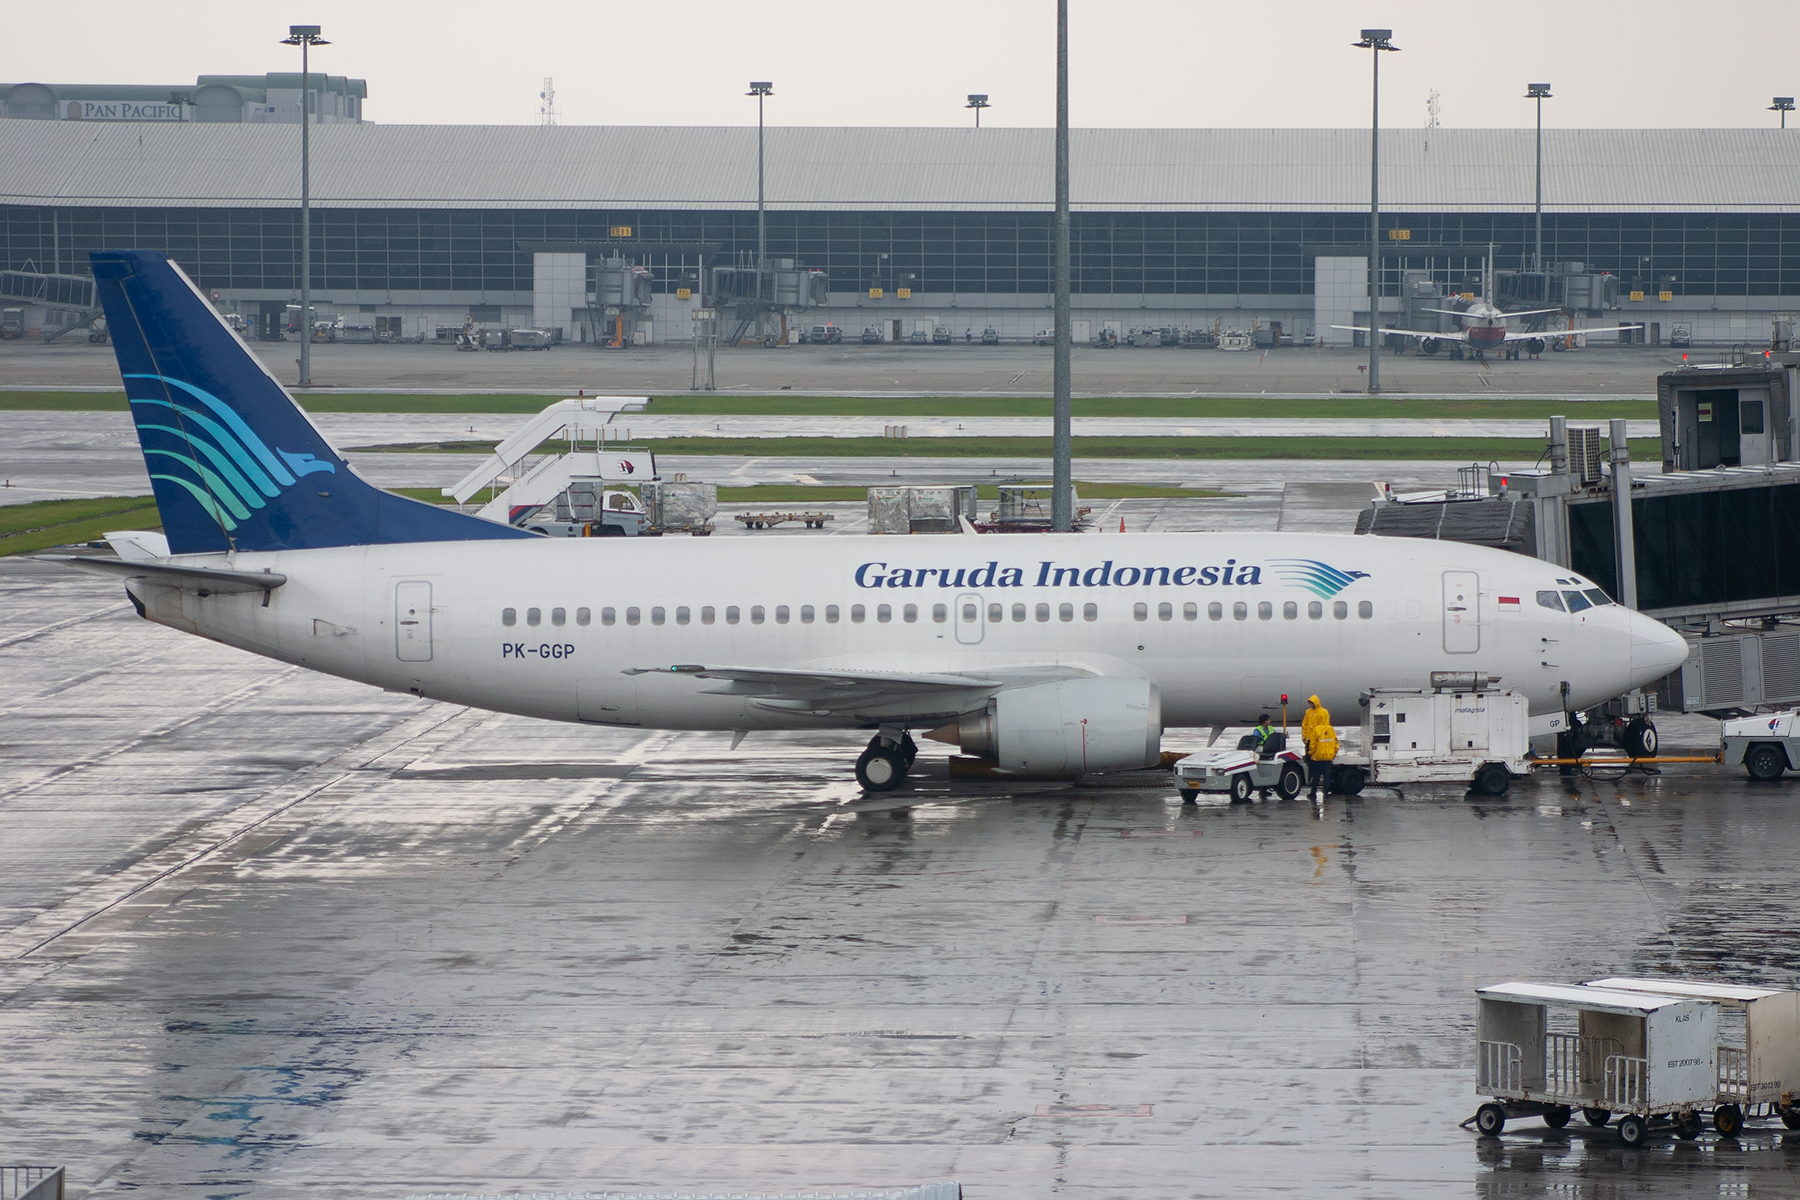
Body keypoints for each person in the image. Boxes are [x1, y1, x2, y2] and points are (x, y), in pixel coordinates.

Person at [1301, 694, 1337, 799]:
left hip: (1317, 739)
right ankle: (1322, 791)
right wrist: (1304, 736)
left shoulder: (1323, 713)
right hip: (1311, 739)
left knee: (1318, 771)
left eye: (1312, 703)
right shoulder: (1308, 712)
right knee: (1323, 772)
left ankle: (1316, 791)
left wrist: (1311, 752)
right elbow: (1305, 724)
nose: (1311, 705)